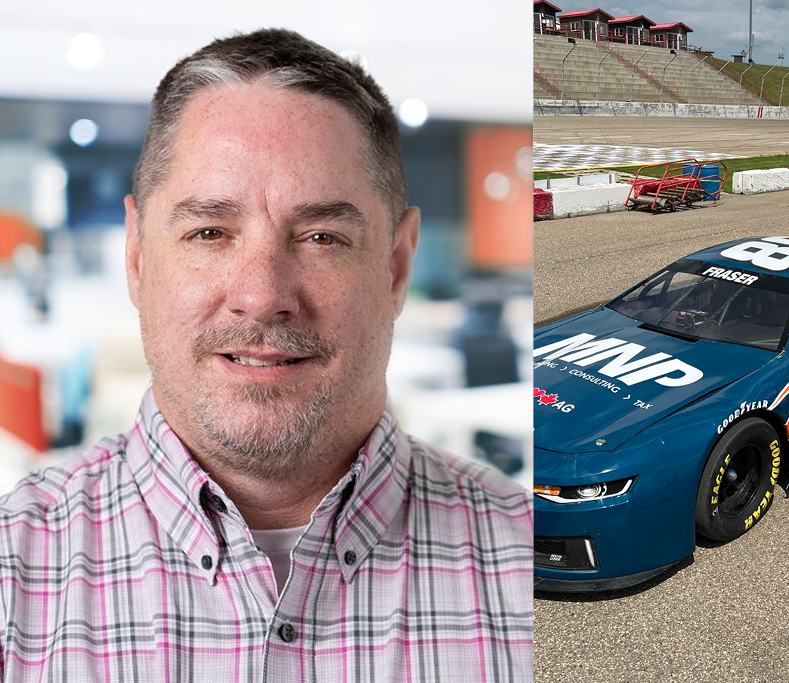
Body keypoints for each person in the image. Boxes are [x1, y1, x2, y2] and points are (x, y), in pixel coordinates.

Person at [0, 29, 532, 680]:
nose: (261, 296)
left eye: (320, 236)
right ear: (137, 257)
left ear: (395, 265)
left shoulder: (527, 560)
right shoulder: (13, 570)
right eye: (210, 231)